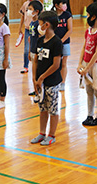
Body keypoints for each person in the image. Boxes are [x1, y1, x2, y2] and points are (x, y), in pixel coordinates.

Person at [31, 11, 62, 146]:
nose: (39, 25)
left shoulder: (56, 42)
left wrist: (42, 77)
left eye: (40, 23)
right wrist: (34, 78)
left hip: (51, 82)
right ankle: (42, 133)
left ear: (46, 25)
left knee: (53, 109)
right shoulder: (40, 40)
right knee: (42, 108)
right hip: (40, 82)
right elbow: (36, 61)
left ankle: (51, 135)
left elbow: (56, 65)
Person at [77, 2, 97, 126]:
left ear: (93, 17)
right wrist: (80, 64)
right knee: (89, 91)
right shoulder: (88, 31)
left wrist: (87, 67)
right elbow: (84, 47)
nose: (87, 16)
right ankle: (89, 115)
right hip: (86, 64)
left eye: (88, 14)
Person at [52, 0, 73, 91]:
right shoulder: (52, 15)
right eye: (63, 3)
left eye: (65, 3)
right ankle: (54, 81)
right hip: (53, 43)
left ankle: (63, 83)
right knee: (54, 63)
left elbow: (70, 30)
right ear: (56, 5)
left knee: (63, 63)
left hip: (64, 43)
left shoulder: (67, 15)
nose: (65, 5)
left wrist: (62, 40)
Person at [18, 0, 40, 74]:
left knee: (37, 48)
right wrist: (20, 28)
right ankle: (26, 66)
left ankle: (38, 65)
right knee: (27, 49)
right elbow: (23, 16)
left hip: (36, 29)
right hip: (27, 29)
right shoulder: (25, 4)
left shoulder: (39, 4)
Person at [27, 0, 43, 96]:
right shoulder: (32, 23)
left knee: (37, 73)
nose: (28, 11)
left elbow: (41, 39)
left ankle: (39, 91)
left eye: (30, 9)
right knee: (33, 74)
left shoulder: (39, 24)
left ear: (36, 11)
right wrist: (29, 51)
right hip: (32, 51)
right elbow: (30, 39)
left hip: (38, 52)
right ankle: (36, 90)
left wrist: (37, 52)